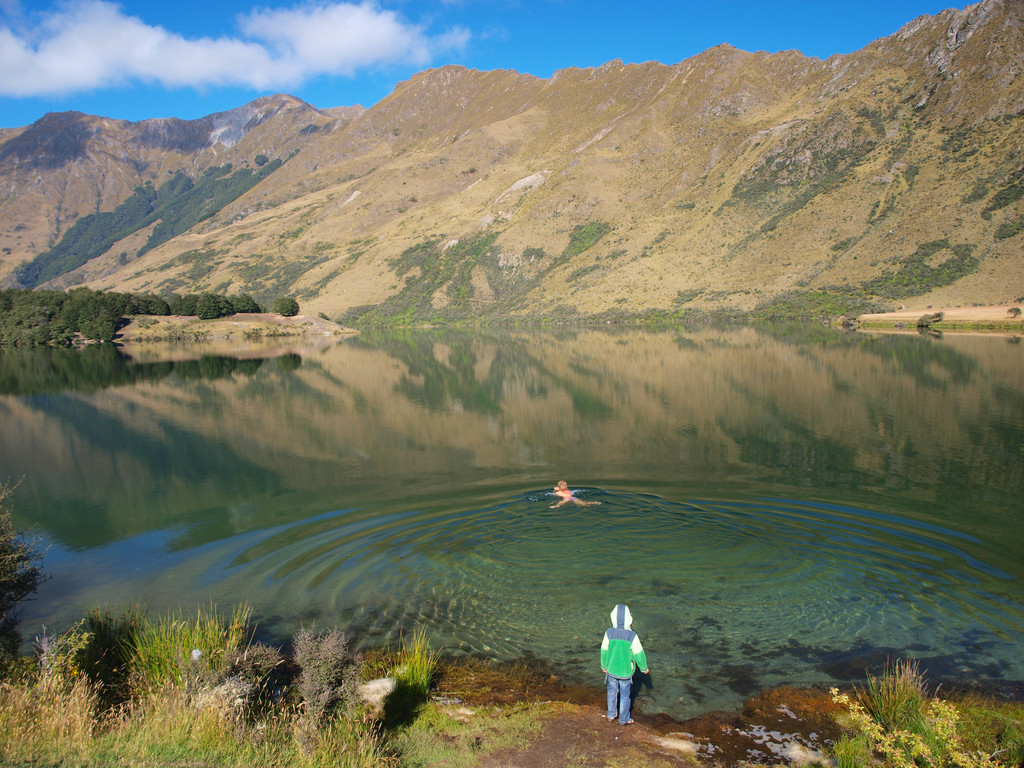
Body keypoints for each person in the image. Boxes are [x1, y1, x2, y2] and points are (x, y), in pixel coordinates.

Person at [600, 603, 649, 725]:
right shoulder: (632, 636)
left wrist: (604, 666)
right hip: (626, 672)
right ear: (629, 619)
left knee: (611, 692)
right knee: (625, 696)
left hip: (611, 670)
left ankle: (611, 715)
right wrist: (644, 668)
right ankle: (624, 718)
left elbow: (604, 650)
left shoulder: (609, 633)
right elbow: (639, 654)